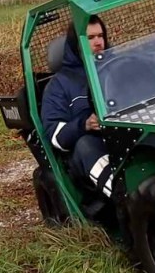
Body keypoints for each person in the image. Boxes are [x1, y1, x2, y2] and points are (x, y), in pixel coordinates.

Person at [41, 15, 113, 212]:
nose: (98, 42)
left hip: (122, 137)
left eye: (100, 36)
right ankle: (124, 196)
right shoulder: (59, 85)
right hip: (86, 151)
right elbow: (55, 135)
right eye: (90, 38)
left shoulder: (116, 68)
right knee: (86, 145)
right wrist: (85, 124)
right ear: (76, 43)